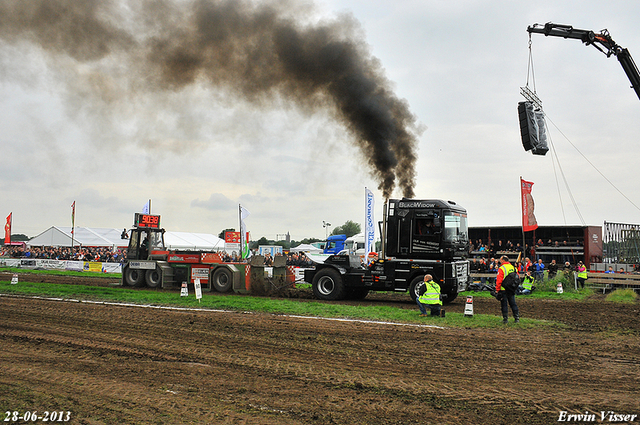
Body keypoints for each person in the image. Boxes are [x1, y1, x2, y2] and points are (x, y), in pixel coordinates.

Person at [495, 255, 520, 324]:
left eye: (500, 260)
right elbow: (518, 277)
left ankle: (505, 319)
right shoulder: (513, 267)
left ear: (503, 260)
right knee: (513, 303)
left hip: (503, 289)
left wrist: (497, 289)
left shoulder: (502, 268)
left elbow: (499, 280)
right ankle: (516, 318)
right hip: (511, 289)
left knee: (504, 304)